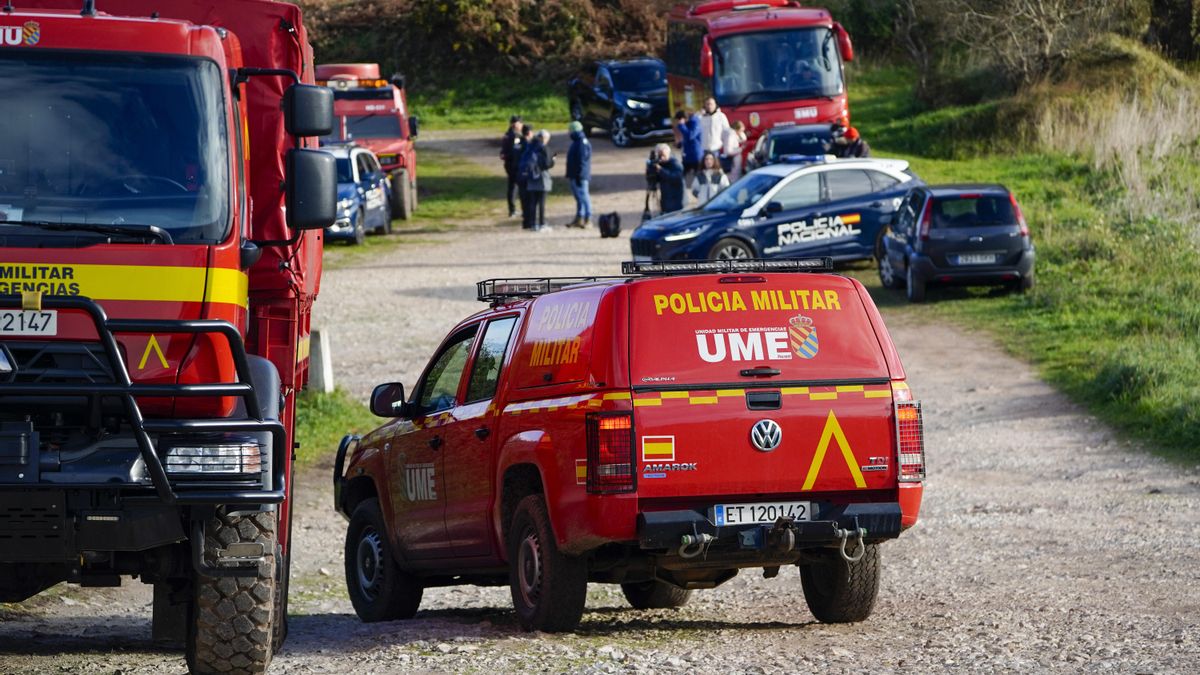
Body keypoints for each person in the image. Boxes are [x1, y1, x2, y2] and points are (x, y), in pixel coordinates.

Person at [520, 129, 555, 231]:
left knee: (533, 203)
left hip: (531, 178)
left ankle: (533, 223)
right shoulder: (543, 148)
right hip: (542, 178)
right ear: (543, 138)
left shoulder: (530, 146)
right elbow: (547, 163)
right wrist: (553, 160)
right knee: (542, 203)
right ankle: (542, 223)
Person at [565, 120, 592, 228]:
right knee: (579, 198)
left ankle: (588, 218)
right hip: (575, 175)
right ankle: (579, 218)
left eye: (570, 131)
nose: (569, 133)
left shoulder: (581, 143)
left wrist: (579, 176)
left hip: (579, 176)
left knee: (584, 197)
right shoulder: (577, 142)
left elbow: (582, 162)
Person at [650, 143, 685, 214]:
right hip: (665, 199)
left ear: (668, 153)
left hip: (675, 200)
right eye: (660, 155)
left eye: (663, 155)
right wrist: (651, 168)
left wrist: (661, 170)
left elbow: (674, 178)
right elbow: (654, 179)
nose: (661, 158)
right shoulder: (661, 164)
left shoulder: (675, 164)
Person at [499, 114, 523, 217]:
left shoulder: (507, 134)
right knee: (516, 187)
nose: (521, 125)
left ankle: (512, 209)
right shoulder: (516, 136)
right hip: (514, 164)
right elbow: (516, 149)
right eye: (520, 123)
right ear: (516, 124)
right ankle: (514, 209)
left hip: (509, 163)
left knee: (512, 186)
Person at [675, 110, 702, 186]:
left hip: (696, 155)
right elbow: (686, 137)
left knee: (698, 176)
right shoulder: (687, 123)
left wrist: (681, 126)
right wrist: (680, 143)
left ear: (683, 118)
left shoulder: (695, 122)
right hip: (687, 154)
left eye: (679, 120)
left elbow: (690, 136)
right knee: (681, 175)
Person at [516, 124, 534, 225]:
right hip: (528, 174)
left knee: (523, 197)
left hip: (519, 173)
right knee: (530, 198)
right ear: (530, 133)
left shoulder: (518, 141)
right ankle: (530, 219)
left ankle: (525, 219)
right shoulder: (530, 144)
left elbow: (514, 153)